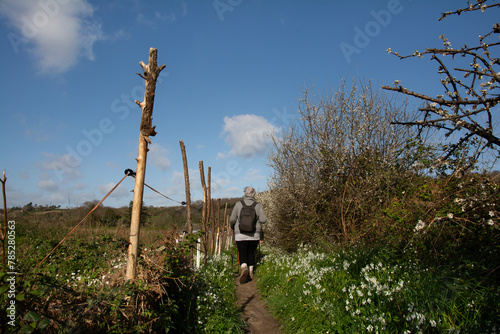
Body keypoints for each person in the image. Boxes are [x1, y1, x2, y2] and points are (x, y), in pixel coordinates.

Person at [230, 186, 267, 283]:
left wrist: (232, 226)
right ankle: (251, 272)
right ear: (253, 194)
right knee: (251, 252)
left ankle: (243, 268)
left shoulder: (238, 204)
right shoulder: (257, 205)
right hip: (254, 234)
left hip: (240, 234)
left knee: (242, 252)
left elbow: (232, 219)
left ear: (244, 193)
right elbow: (263, 220)